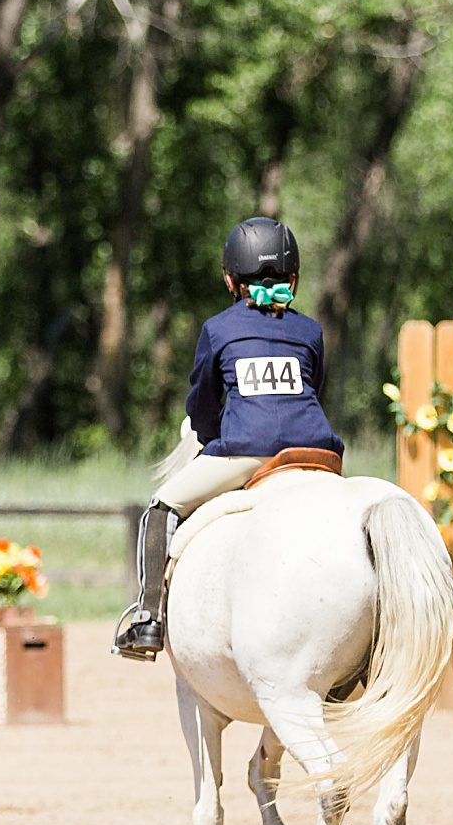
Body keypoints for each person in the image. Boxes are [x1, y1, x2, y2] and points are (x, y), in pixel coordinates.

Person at [113, 216, 344, 661]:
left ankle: (147, 618)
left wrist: (210, 437)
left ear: (229, 279)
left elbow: (200, 404)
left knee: (161, 507)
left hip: (246, 452)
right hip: (314, 453)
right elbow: (315, 390)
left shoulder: (218, 329)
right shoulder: (311, 330)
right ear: (293, 278)